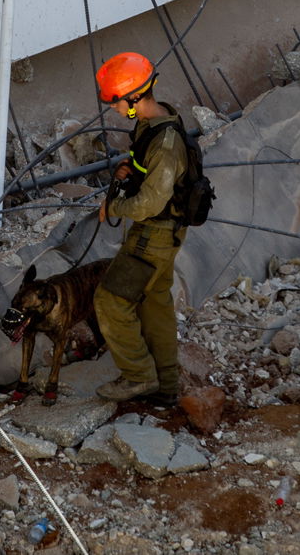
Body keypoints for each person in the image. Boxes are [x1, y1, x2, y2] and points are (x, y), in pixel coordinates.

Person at [92, 52, 189, 405]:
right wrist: (130, 167)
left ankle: (138, 377)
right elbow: (146, 163)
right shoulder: (155, 120)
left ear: (134, 98)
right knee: (154, 304)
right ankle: (166, 387)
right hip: (164, 233)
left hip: (155, 235)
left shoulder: (165, 143)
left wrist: (114, 205)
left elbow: (150, 204)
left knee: (110, 300)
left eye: (116, 103)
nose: (114, 109)